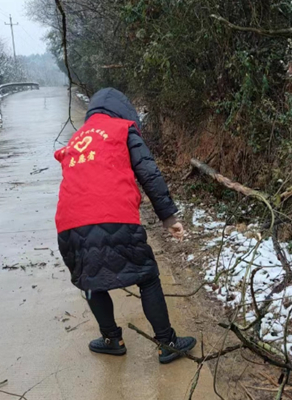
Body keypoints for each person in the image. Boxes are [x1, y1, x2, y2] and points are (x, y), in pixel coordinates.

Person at [54, 88, 196, 364]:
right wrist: (169, 218)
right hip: (113, 215)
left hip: (69, 224)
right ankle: (167, 343)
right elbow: (149, 173)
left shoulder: (76, 138)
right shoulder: (123, 129)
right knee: (147, 276)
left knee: (91, 280)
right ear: (123, 111)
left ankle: (111, 339)